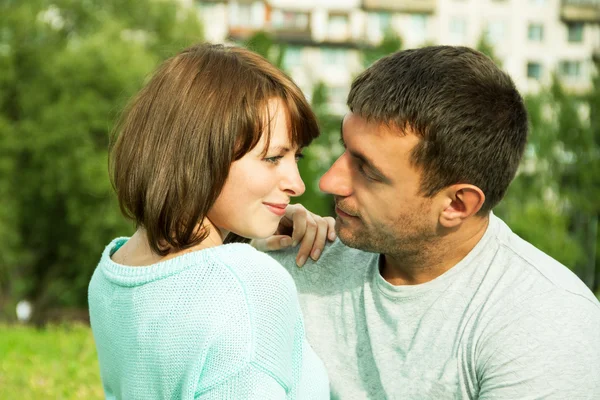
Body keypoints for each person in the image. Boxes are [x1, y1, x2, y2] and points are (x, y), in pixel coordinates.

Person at [261, 46, 600, 399]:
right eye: (345, 149)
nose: (329, 181)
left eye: (367, 170)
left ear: (457, 204)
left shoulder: (546, 327)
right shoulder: (299, 257)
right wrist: (237, 234)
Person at [88, 43, 330, 399]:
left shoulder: (113, 274)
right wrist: (242, 260)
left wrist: (248, 235)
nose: (297, 184)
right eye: (273, 158)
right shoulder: (248, 286)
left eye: (296, 156)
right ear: (199, 154)